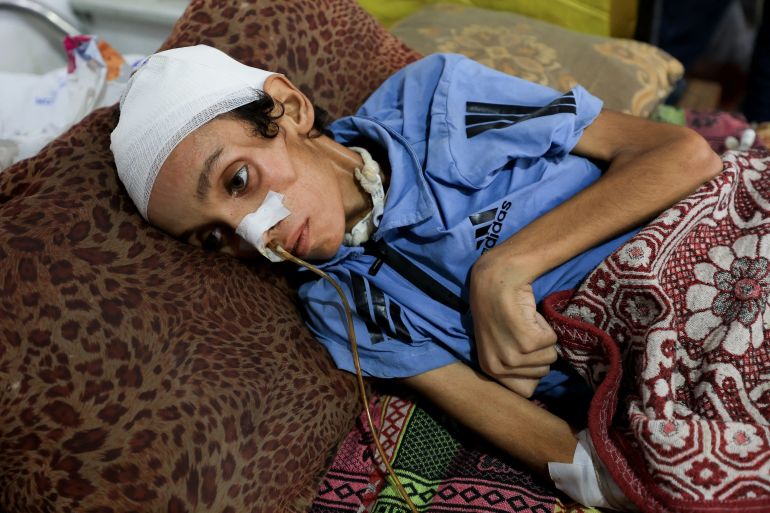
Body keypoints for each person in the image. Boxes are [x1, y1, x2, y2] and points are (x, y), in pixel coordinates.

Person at [111, 45, 722, 510]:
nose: (253, 234)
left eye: (238, 181)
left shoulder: (434, 104)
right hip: (663, 375)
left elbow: (683, 156)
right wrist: (627, 482)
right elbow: (558, 451)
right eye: (213, 237)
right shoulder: (339, 305)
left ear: (289, 108)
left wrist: (504, 270)